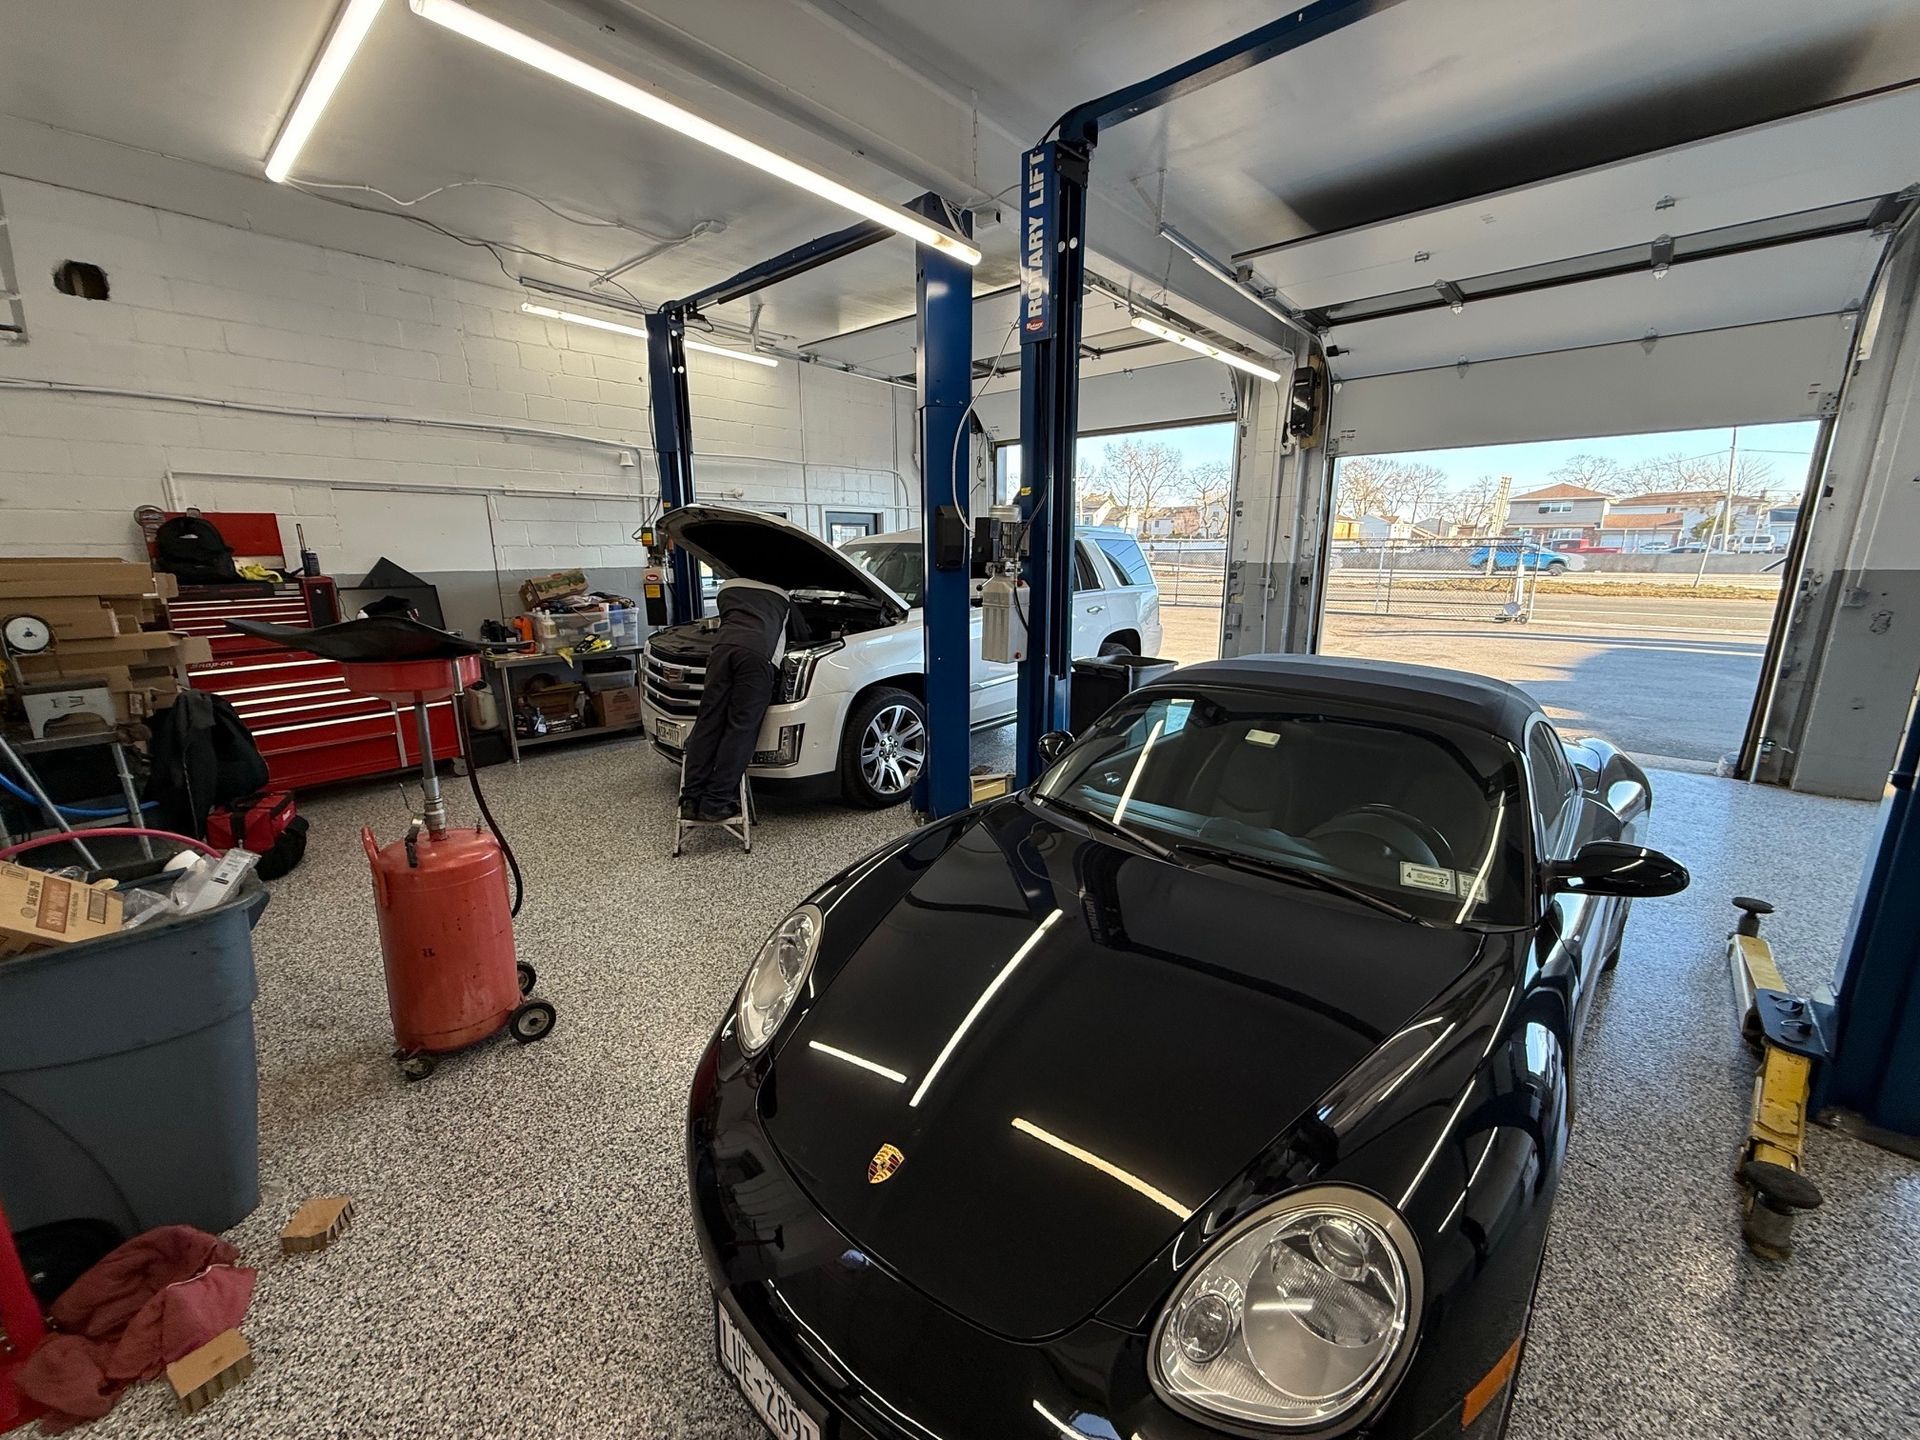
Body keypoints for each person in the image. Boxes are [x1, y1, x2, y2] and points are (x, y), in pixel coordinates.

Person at [680, 577, 792, 822]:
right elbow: (800, 632)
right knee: (741, 727)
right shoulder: (782, 596)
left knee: (708, 722)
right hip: (757, 657)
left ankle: (690, 799)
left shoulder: (728, 588)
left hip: (721, 651)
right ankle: (716, 802)